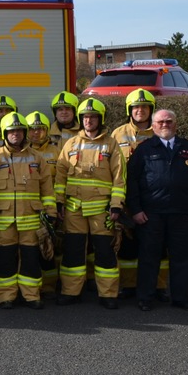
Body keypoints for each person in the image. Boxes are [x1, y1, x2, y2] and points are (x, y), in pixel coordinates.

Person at [126, 109, 188, 311]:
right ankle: (145, 298)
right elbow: (131, 182)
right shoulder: (143, 149)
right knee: (149, 257)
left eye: (169, 121)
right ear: (153, 125)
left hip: (181, 214)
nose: (165, 125)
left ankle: (181, 298)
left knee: (183, 258)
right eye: (160, 122)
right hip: (150, 215)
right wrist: (135, 210)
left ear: (176, 124)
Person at [54, 98, 125, 308]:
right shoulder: (71, 143)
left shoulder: (111, 144)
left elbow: (119, 178)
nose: (88, 120)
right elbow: (60, 176)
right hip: (74, 209)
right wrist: (58, 203)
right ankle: (71, 292)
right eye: (85, 117)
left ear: (100, 119)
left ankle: (108, 294)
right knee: (73, 251)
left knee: (105, 252)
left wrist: (116, 205)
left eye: (93, 117)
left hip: (102, 211)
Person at [0, 113, 56, 309]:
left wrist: (51, 213)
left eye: (18, 131)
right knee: (4, 259)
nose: (15, 134)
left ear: (24, 133)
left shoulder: (37, 158)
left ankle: (31, 295)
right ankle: (6, 296)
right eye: (11, 131)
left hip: (31, 220)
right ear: (5, 134)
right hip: (2, 219)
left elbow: (47, 189)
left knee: (31, 260)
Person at [111, 89, 158, 298]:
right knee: (128, 245)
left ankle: (159, 286)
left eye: (145, 107)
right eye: (136, 107)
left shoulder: (160, 132)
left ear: (151, 110)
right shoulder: (117, 134)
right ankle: (129, 286)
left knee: (157, 245)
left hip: (153, 196)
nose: (140, 111)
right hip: (126, 196)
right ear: (130, 110)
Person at [26, 112, 62, 295]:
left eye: (40, 129)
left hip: (50, 207)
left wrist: (56, 208)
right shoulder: (21, 153)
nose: (36, 133)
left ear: (47, 130)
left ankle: (48, 287)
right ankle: (31, 288)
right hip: (28, 209)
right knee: (30, 250)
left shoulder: (57, 152)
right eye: (32, 129)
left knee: (48, 250)